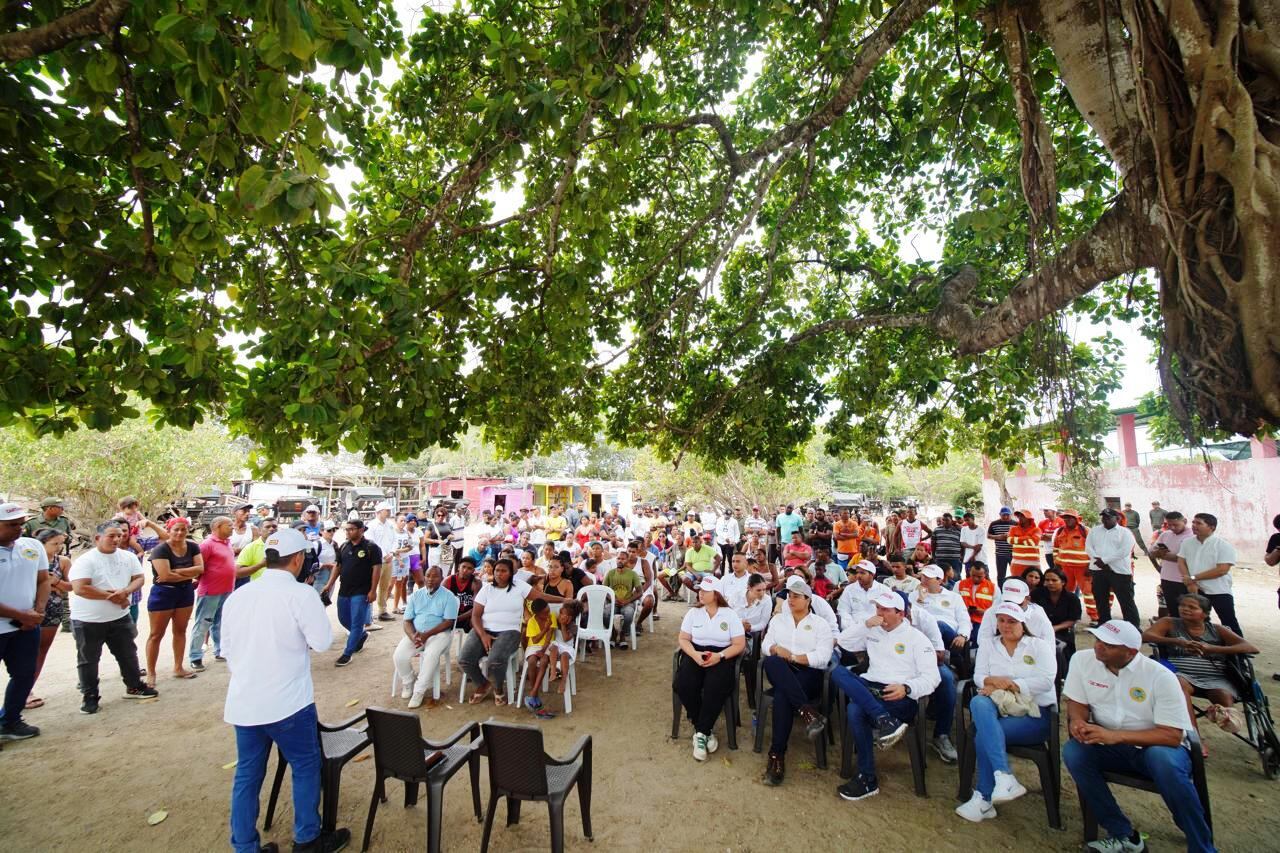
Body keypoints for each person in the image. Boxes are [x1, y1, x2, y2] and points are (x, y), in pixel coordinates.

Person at [221, 527, 349, 853]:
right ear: (296, 560)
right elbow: (321, 643)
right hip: (289, 703)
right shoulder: (301, 595)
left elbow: (228, 651)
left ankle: (245, 846)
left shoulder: (239, 596)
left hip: (245, 701)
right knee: (306, 766)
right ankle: (307, 838)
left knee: (247, 775)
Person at [1063, 619, 1214, 853]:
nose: (1098, 647)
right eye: (1098, 640)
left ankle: (1202, 848)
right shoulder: (1082, 660)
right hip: (1113, 746)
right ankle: (1123, 835)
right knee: (1074, 751)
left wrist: (1116, 736)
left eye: (1109, 645)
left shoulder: (1160, 677)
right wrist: (1078, 721)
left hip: (1158, 748)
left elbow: (1172, 736)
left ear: (1131, 652)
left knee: (1162, 759)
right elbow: (1077, 702)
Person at [830, 592, 940, 801]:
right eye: (878, 609)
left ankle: (867, 778)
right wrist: (865, 625)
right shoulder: (873, 631)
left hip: (899, 694)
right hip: (871, 688)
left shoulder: (916, 638)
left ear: (900, 613)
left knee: (855, 709)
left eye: (886, 610)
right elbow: (843, 642)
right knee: (838, 672)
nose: (880, 614)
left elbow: (932, 678)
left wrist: (907, 687)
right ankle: (884, 720)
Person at [955, 601, 1058, 823]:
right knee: (978, 703)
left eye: (1011, 621)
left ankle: (984, 797)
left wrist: (1008, 683)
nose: (1005, 626)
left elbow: (1047, 681)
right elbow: (979, 677)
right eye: (1001, 620)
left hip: (1033, 713)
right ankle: (1003, 776)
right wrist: (992, 681)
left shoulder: (1038, 646)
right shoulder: (989, 645)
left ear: (1023, 623)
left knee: (984, 733)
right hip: (1000, 708)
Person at [1143, 592, 1258, 745]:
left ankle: (1224, 714)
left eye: (1192, 607)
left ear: (1204, 613)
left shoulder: (1217, 629)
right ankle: (1194, 737)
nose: (1185, 609)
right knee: (1178, 685)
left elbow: (1250, 648)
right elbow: (1145, 637)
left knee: (1223, 694)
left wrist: (1213, 649)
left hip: (1215, 674)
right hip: (1181, 671)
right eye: (1182, 606)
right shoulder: (1169, 622)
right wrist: (1176, 641)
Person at [69, 520, 158, 714]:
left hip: (120, 616)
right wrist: (114, 596)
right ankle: (90, 696)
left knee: (127, 653)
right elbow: (80, 588)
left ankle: (134, 686)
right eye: (112, 536)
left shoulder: (128, 556)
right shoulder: (86, 560)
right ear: (97, 538)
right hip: (88, 620)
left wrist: (125, 592)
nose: (117, 539)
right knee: (88, 659)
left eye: (120, 535)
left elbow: (139, 578)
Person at [760, 576, 835, 785]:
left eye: (796, 596)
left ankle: (776, 756)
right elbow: (766, 646)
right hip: (782, 669)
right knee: (771, 662)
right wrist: (777, 649)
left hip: (808, 673)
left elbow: (823, 657)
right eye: (789, 595)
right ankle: (807, 712)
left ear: (808, 599)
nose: (790, 600)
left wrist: (793, 657)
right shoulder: (778, 620)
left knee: (783, 696)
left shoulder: (820, 625)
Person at [459, 558, 565, 705]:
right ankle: (482, 684)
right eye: (497, 570)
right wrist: (483, 634)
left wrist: (564, 600)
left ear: (511, 573)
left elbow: (541, 597)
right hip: (483, 629)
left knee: (494, 661)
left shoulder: (519, 586)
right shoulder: (486, 589)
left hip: (509, 631)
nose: (499, 574)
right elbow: (476, 616)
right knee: (464, 659)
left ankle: (498, 689)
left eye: (503, 571)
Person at [675, 577, 747, 761]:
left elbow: (739, 644)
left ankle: (701, 732)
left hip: (722, 655)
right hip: (696, 652)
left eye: (705, 591)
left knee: (716, 685)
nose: (700, 593)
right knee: (683, 684)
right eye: (700, 590)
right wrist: (694, 655)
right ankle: (704, 729)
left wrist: (720, 656)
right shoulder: (694, 613)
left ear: (716, 594)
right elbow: (683, 638)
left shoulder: (729, 615)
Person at [0, 502, 49, 740]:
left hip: (27, 627)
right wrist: (22, 616)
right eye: (11, 525)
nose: (19, 529)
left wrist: (37, 612)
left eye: (21, 524)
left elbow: (43, 580)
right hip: (10, 624)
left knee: (24, 674)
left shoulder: (32, 546)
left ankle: (10, 721)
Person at [144, 517, 203, 687]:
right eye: (176, 529)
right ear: (168, 530)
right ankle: (151, 673)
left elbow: (200, 569)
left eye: (183, 529)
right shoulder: (160, 549)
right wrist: (188, 574)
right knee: (156, 634)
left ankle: (178, 667)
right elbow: (164, 575)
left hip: (185, 593)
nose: (179, 533)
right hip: (164, 594)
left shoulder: (192, 546)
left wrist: (177, 571)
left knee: (180, 630)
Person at [391, 566, 459, 710]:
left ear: (441, 579)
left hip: (439, 634)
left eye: (434, 576)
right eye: (428, 576)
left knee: (431, 655)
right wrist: (413, 636)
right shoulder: (416, 595)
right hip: (417, 633)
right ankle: (408, 680)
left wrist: (427, 634)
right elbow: (407, 620)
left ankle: (419, 691)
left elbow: (448, 622)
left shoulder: (448, 597)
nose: (430, 579)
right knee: (399, 656)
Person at [25, 528, 72, 711]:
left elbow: (71, 587)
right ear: (41, 543)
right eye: (55, 544)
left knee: (41, 652)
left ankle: (27, 690)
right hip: (28, 610)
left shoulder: (62, 561)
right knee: (23, 652)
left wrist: (55, 583)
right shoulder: (30, 559)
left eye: (61, 543)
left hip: (52, 611)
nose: (59, 547)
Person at [1177, 513, 1241, 635]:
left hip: (1218, 590)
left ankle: (1239, 651)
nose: (1194, 526)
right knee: (1197, 621)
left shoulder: (1223, 545)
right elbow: (1181, 561)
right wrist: (1188, 581)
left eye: (1199, 523)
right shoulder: (1187, 542)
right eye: (1193, 522)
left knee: (1228, 621)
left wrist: (1193, 578)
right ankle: (1202, 648)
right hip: (1196, 589)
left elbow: (1222, 570)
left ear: (1211, 527)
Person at [333, 518, 382, 667]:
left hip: (361, 591)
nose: (348, 532)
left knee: (356, 622)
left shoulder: (371, 548)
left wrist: (373, 591)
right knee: (343, 619)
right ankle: (361, 635)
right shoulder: (343, 546)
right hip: (344, 590)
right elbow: (338, 566)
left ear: (361, 530)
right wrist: (329, 584)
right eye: (346, 529)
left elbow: (377, 569)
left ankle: (347, 653)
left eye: (351, 529)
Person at [190, 516, 236, 671]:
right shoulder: (207, 545)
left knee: (219, 622)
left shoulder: (227, 543)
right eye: (229, 525)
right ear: (217, 526)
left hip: (226, 589)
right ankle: (195, 657)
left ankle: (219, 650)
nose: (232, 527)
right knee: (203, 623)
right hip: (210, 590)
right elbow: (198, 567)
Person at [1086, 509, 1138, 627]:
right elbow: (1088, 547)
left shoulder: (1125, 532)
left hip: (1119, 571)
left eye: (1108, 517)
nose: (1105, 520)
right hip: (1098, 570)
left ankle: (1133, 626)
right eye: (1103, 517)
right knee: (1100, 599)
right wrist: (1097, 559)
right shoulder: (1094, 531)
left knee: (1126, 600)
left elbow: (1124, 551)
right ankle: (1104, 623)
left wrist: (1104, 561)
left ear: (1117, 518)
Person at [1032, 567, 1081, 683]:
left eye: (1054, 580)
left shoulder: (1072, 598)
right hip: (1039, 630)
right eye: (1047, 580)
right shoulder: (1036, 594)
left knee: (1061, 649)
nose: (1050, 583)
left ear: (1063, 582)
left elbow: (1073, 620)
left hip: (1061, 631)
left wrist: (1055, 628)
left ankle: (1063, 677)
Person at [977, 577, 1054, 645]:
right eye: (1008, 601)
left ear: (1027, 599)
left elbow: (1049, 645)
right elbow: (983, 641)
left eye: (1017, 603)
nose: (1012, 607)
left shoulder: (1038, 614)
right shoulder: (992, 612)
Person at [1150, 511, 1193, 615]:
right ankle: (1175, 631)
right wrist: (1158, 562)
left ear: (1185, 521)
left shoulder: (1192, 536)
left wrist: (1163, 555)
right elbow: (1151, 552)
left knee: (1186, 611)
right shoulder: (1165, 535)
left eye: (1176, 525)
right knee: (1172, 610)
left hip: (1184, 580)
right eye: (1169, 525)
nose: (1172, 528)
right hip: (1166, 578)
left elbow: (1187, 559)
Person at [1052, 510, 1094, 617]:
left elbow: (1095, 548)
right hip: (1065, 568)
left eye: (1070, 517)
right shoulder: (1060, 531)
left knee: (1088, 593)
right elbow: (1056, 548)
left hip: (1083, 568)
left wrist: (1091, 566)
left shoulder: (1085, 530)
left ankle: (1094, 617)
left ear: (1076, 519)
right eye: (1065, 517)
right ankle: (1066, 615)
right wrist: (1056, 562)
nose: (1067, 520)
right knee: (1065, 592)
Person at [521, 599, 556, 718]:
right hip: (534, 645)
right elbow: (535, 640)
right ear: (537, 614)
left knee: (544, 660)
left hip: (547, 644)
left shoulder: (552, 617)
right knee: (532, 661)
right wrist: (545, 628)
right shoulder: (531, 621)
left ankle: (533, 693)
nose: (548, 613)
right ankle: (534, 694)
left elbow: (549, 636)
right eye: (545, 612)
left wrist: (543, 650)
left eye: (548, 610)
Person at [365, 502, 398, 622]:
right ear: (379, 511)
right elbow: (371, 543)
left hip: (389, 560)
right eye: (386, 510)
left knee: (384, 586)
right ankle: (369, 614)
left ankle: (382, 611)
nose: (389, 512)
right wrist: (384, 554)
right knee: (372, 586)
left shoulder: (390, 525)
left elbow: (395, 540)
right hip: (376, 561)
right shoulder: (371, 525)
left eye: (389, 510)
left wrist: (392, 553)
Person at [603, 550, 643, 649]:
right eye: (618, 558)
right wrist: (613, 599)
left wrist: (627, 601)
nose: (620, 561)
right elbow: (604, 590)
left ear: (627, 560)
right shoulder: (610, 573)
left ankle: (622, 635)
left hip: (627, 602)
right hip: (613, 602)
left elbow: (640, 592)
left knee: (629, 613)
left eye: (623, 559)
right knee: (606, 613)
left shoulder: (632, 574)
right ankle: (612, 633)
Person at [837, 560, 891, 627]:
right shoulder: (849, 589)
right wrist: (853, 627)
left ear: (872, 575)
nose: (858, 576)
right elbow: (843, 611)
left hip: (877, 629)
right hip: (853, 629)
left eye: (862, 573)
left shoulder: (884, 590)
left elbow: (889, 613)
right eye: (857, 572)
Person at [958, 562, 995, 644]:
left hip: (982, 620)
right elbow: (953, 603)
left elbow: (996, 609)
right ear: (969, 572)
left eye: (979, 577)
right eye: (973, 575)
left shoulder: (993, 588)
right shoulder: (959, 584)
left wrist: (984, 612)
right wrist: (965, 610)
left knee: (977, 637)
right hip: (962, 619)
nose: (976, 579)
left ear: (985, 574)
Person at [443, 557, 478, 631]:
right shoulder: (448, 581)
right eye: (463, 567)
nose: (465, 570)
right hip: (449, 615)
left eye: (469, 568)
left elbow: (476, 607)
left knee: (475, 620)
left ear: (473, 571)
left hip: (467, 616)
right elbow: (439, 603)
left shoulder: (476, 583)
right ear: (459, 567)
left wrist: (457, 619)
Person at [1007, 510, 1042, 577]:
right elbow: (1009, 540)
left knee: (1033, 586)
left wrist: (1016, 539)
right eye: (1019, 516)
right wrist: (1027, 538)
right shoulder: (1013, 529)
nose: (1020, 517)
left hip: (1033, 565)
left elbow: (1033, 542)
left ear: (1029, 518)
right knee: (1017, 584)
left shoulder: (1037, 530)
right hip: (1016, 565)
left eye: (1022, 516)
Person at [986, 507, 1015, 586]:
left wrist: (1010, 536)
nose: (1005, 517)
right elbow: (988, 536)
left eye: (1007, 515)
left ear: (1011, 515)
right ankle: (1001, 591)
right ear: (1000, 515)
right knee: (1001, 575)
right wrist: (999, 537)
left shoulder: (1015, 524)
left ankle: (1015, 590)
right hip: (1000, 554)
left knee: (1015, 574)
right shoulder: (994, 524)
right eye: (1003, 515)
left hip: (1013, 553)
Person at [931, 514, 964, 581]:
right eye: (943, 520)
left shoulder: (958, 530)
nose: (944, 522)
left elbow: (962, 544)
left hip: (955, 559)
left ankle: (955, 590)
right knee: (940, 577)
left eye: (947, 520)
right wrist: (933, 556)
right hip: (940, 558)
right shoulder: (937, 530)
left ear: (951, 521)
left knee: (955, 577)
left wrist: (962, 556)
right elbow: (933, 544)